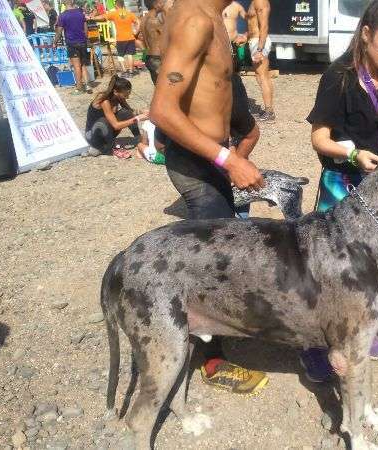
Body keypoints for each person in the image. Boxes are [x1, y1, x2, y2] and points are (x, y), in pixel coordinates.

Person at [149, 0, 268, 395]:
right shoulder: (195, 20)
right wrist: (228, 160)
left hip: (211, 155)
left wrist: (236, 143)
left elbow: (208, 88)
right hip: (195, 161)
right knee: (215, 262)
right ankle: (211, 360)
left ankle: (207, 333)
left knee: (221, 251)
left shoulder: (214, 17)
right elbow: (162, 110)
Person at [301, 0, 378, 383]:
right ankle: (314, 346)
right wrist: (352, 154)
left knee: (372, 268)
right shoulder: (339, 77)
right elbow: (319, 139)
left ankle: (359, 330)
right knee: (326, 273)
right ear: (366, 34)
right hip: (341, 188)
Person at [85, 74, 147, 157]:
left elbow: (130, 112)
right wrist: (138, 118)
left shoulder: (118, 97)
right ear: (115, 92)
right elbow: (116, 125)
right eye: (125, 95)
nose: (127, 97)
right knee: (103, 121)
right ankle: (108, 148)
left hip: (107, 131)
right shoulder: (104, 100)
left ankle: (138, 138)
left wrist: (142, 112)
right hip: (93, 134)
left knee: (126, 112)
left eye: (128, 94)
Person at [54, 0, 93, 95]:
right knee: (83, 64)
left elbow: (59, 32)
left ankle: (79, 88)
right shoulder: (80, 13)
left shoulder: (62, 16)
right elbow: (86, 28)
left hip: (72, 43)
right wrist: (86, 39)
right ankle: (88, 85)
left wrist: (54, 42)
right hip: (82, 42)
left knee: (76, 66)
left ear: (63, 3)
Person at [94, 0, 140, 77]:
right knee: (130, 55)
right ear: (123, 5)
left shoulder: (114, 13)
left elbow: (102, 17)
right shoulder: (129, 13)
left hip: (120, 38)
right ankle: (131, 72)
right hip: (130, 37)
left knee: (120, 55)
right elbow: (138, 22)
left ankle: (124, 71)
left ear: (116, 5)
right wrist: (136, 32)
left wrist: (92, 18)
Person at [246, 0, 275, 122]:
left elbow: (264, 26)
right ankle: (268, 110)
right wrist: (245, 37)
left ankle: (269, 111)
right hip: (255, 41)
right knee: (259, 76)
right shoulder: (254, 2)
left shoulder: (260, 1)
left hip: (259, 42)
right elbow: (253, 25)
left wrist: (259, 49)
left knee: (263, 77)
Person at [138, 0, 166, 84]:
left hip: (149, 57)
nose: (163, 4)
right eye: (161, 2)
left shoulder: (143, 20)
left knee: (158, 85)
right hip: (158, 58)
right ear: (155, 4)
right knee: (165, 86)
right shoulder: (155, 21)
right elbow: (168, 36)